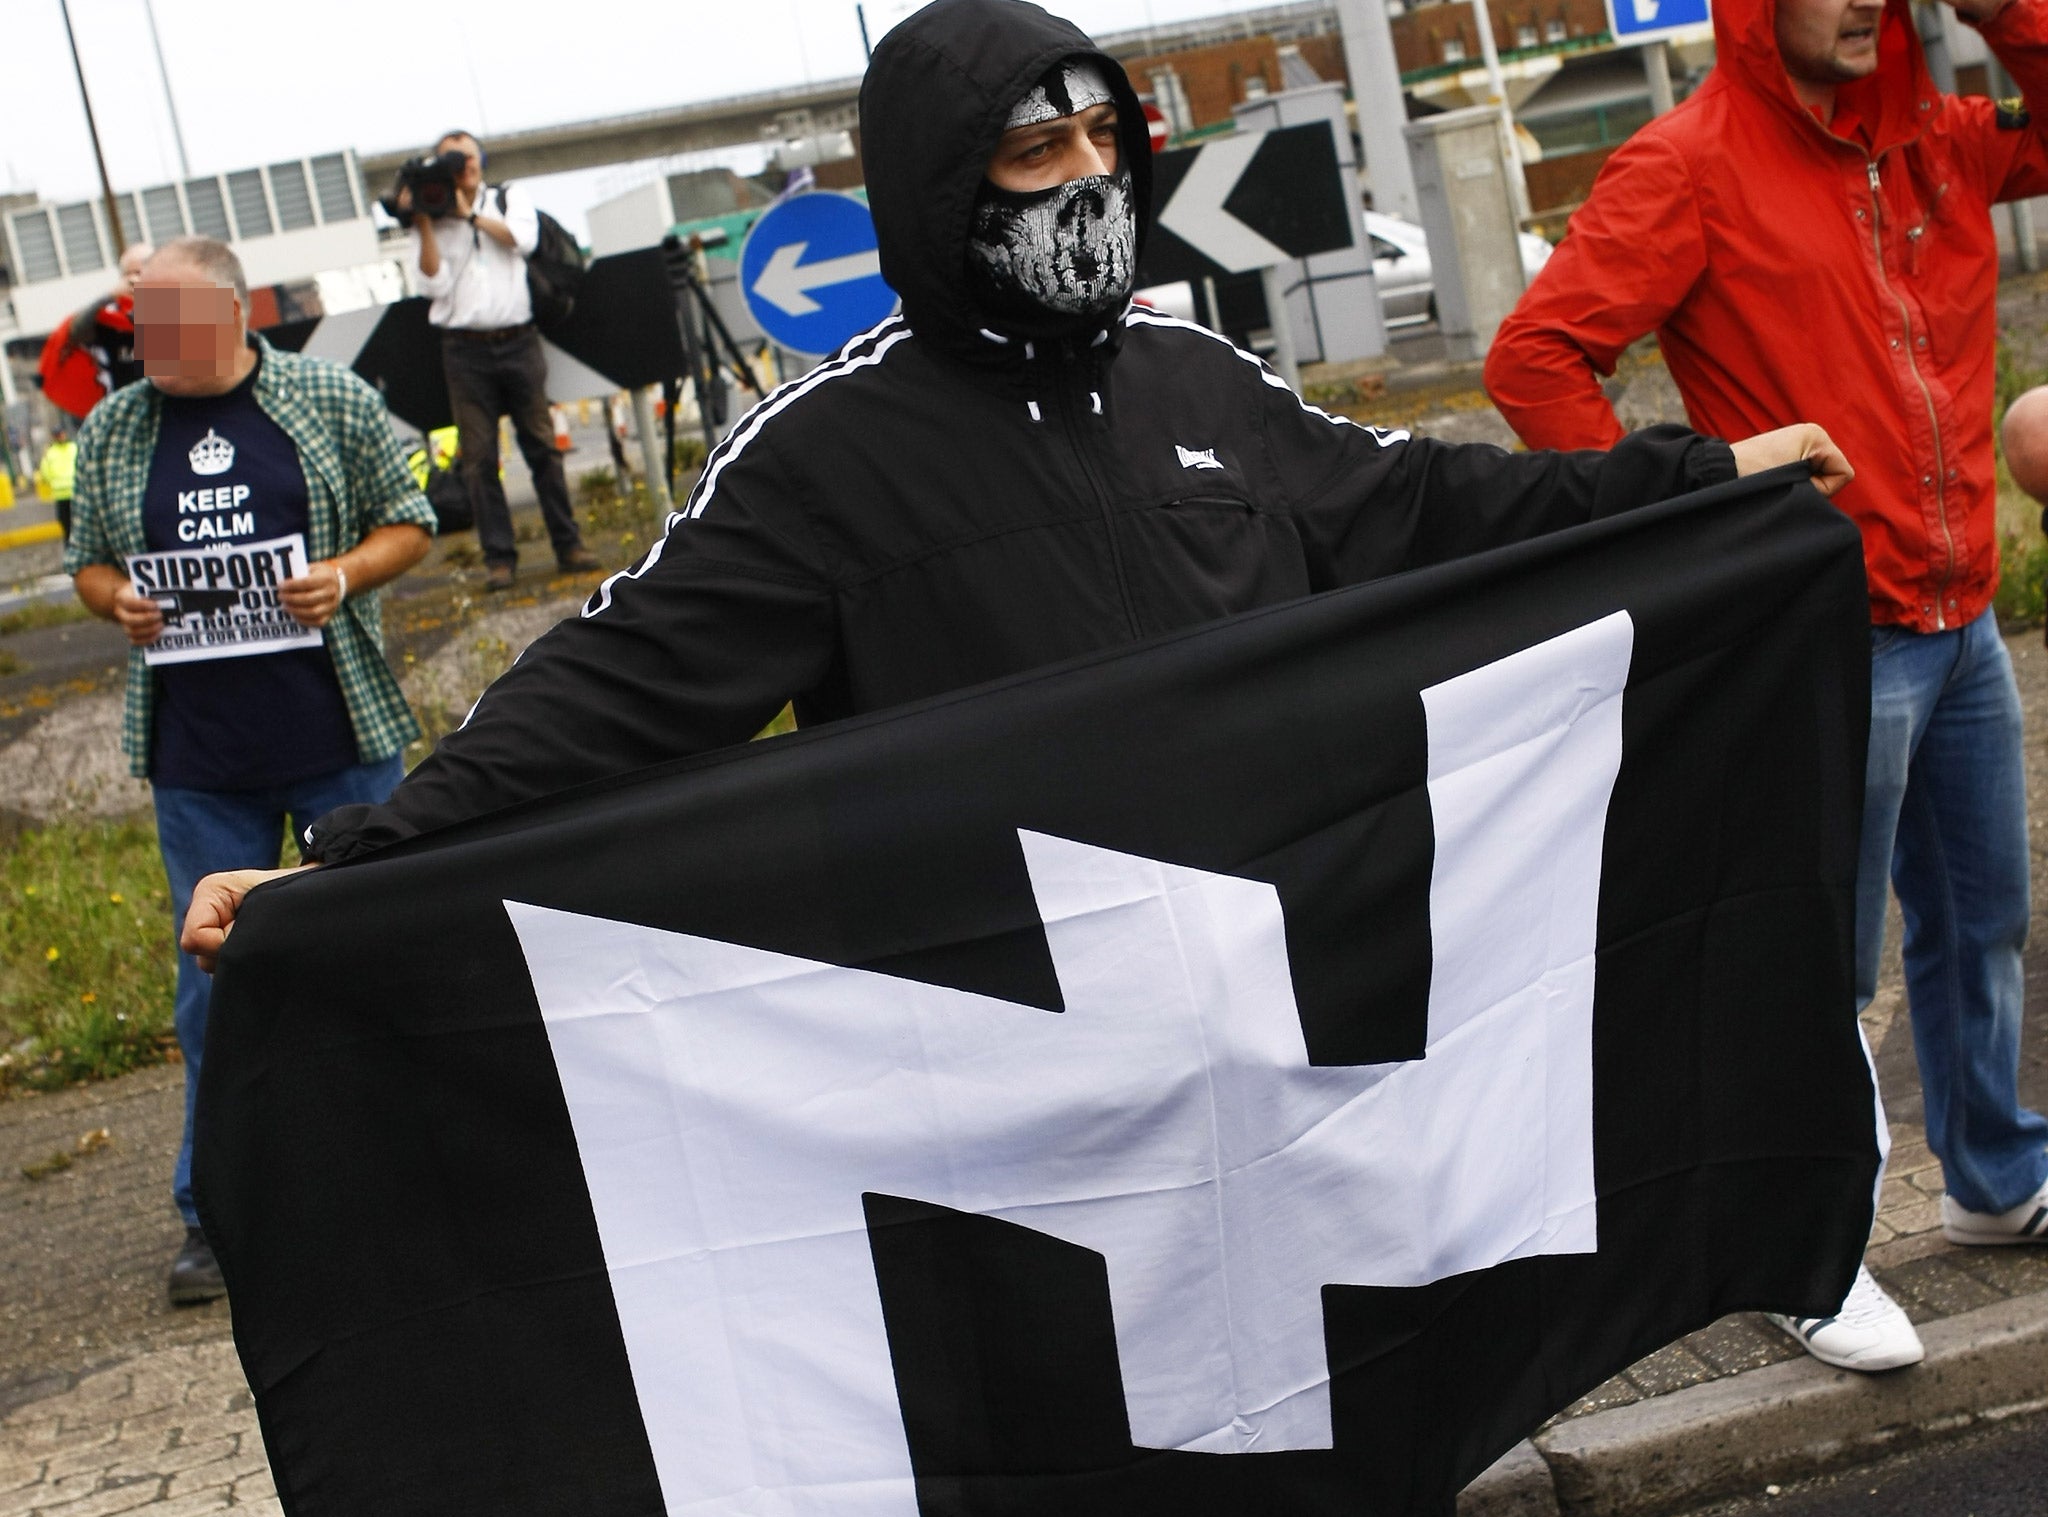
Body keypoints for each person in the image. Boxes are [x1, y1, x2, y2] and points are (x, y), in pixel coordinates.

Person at [187, 0, 1841, 1442]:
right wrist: (345, 864)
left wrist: (1703, 485)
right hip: (1028, 1095)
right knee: (1085, 1446)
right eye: (1027, 151)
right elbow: (611, 691)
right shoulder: (825, 462)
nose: (1080, 175)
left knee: (1352, 1414)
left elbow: (1432, 507)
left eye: (1095, 136)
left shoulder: (1205, 390)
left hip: (1276, 1050)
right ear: (934, 185)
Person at [1485, 0, 2048, 1372]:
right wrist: (1695, 530)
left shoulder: (1941, 143)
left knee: (1982, 922)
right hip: (1820, 636)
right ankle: (1813, 1252)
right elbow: (1534, 358)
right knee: (1815, 971)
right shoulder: (1690, 165)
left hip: (1960, 612)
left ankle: (1991, 1182)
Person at [65, 236, 436, 1304]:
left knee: (378, 958)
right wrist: (113, 603)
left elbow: (408, 523)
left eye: (170, 328)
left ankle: (418, 1179)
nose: (149, 349)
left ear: (232, 314)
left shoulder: (327, 397)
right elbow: (86, 560)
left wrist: (343, 577)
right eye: (142, 332)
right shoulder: (115, 428)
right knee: (209, 993)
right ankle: (213, 1215)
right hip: (199, 759)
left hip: (340, 737)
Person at [402, 130, 597, 591]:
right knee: (479, 459)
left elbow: (523, 242)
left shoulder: (509, 199)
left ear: (480, 160)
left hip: (519, 339)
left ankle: (568, 544)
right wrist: (426, 222)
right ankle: (499, 560)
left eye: (465, 158)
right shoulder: (431, 214)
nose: (460, 167)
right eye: (449, 161)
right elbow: (430, 284)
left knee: (543, 449)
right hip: (464, 349)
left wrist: (469, 215)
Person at [37, 242, 154, 421]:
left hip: (173, 409)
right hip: (123, 415)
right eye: (129, 274)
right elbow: (75, 331)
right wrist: (110, 295)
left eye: (141, 272)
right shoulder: (107, 317)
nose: (135, 280)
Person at [37, 427, 77, 537]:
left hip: (76, 492)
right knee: (67, 525)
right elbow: (45, 472)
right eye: (58, 435)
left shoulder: (73, 448)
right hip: (62, 494)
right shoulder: (51, 453)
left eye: (61, 434)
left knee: (77, 524)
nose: (60, 436)